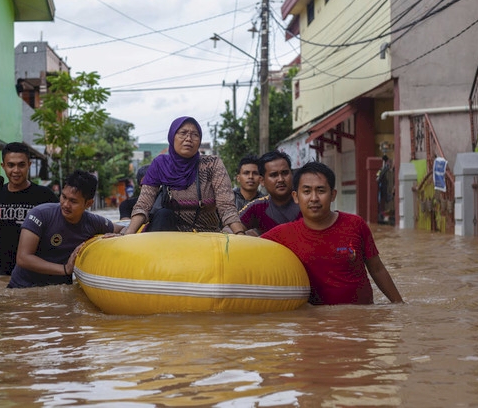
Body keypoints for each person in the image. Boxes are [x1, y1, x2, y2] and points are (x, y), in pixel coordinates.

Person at [261, 161, 404, 305]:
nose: (314, 198)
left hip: (361, 319)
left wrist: (399, 304)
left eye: (321, 190)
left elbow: (377, 269)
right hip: (316, 322)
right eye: (306, 191)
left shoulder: (356, 224)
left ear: (333, 195)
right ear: (296, 197)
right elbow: (252, 247)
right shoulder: (283, 234)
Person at [124, 116, 246, 234]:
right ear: (172, 137)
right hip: (168, 234)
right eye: (183, 133)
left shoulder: (212, 164)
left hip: (206, 234)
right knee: (163, 214)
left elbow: (226, 206)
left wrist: (240, 234)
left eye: (195, 134)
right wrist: (128, 234)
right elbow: (144, 204)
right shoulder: (160, 164)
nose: (189, 138)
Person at [8, 170, 123, 288]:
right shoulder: (40, 214)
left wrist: (116, 237)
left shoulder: (93, 222)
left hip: (58, 291)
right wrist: (65, 269)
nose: (65, 204)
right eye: (63, 197)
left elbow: (122, 229)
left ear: (88, 203)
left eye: (73, 201)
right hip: (22, 288)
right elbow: (23, 258)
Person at [0, 142, 59, 275]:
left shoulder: (44, 195)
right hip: (1, 271)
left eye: (21, 165)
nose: (16, 170)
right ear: (3, 166)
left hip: (33, 272)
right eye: (11, 165)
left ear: (29, 165)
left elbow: (62, 222)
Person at [238, 151, 301, 236]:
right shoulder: (257, 207)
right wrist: (244, 236)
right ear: (262, 181)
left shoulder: (306, 202)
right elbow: (230, 228)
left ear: (292, 174)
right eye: (274, 175)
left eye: (285, 173)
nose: (280, 179)